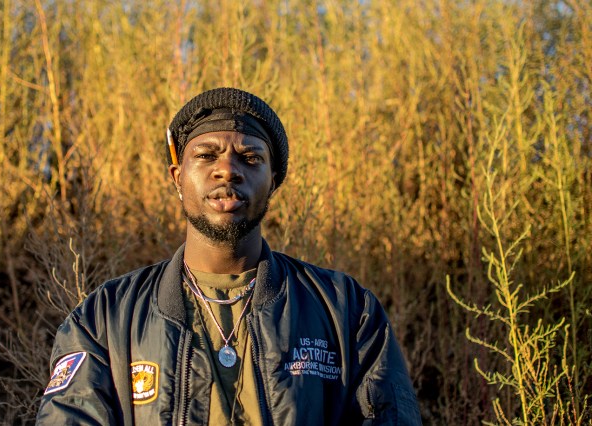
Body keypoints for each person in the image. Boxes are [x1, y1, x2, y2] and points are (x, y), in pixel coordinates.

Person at [36, 88, 422, 425]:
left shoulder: (346, 310)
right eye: (206, 155)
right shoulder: (105, 318)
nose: (227, 170)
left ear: (273, 182)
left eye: (250, 158)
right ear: (177, 178)